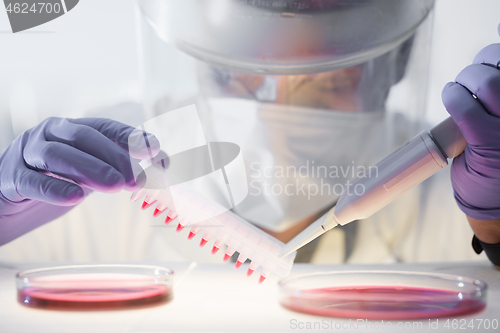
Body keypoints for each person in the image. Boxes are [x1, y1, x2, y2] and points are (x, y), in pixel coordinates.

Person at [0, 0, 499, 268]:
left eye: (331, 79)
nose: (277, 118)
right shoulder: (101, 178)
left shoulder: (465, 191)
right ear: (200, 60)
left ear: (392, 65)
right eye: (240, 75)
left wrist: (495, 234)